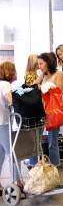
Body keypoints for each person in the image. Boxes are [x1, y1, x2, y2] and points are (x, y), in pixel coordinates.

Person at [38, 52, 63, 166]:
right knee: (38, 140)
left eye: (41, 63)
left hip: (54, 111)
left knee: (52, 141)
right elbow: (35, 86)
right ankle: (39, 165)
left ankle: (55, 165)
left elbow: (59, 91)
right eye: (38, 64)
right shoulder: (43, 75)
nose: (39, 66)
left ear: (48, 63)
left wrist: (44, 87)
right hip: (43, 110)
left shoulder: (59, 74)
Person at [0, 62, 17, 190]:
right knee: (13, 152)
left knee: (1, 154)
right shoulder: (5, 84)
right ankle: (17, 183)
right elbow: (10, 101)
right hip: (3, 123)